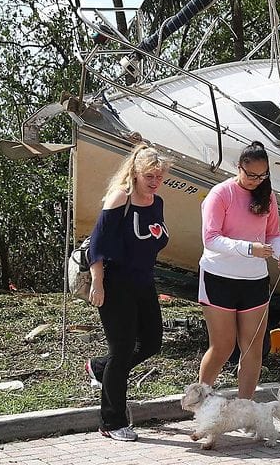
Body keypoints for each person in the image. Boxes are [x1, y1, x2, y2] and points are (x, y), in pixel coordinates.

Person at [85, 143, 171, 442]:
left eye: (159, 176)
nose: (154, 181)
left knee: (151, 342)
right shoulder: (119, 198)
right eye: (149, 175)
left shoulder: (156, 202)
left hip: (144, 282)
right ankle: (112, 421)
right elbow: (97, 245)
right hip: (115, 283)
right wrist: (98, 283)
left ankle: (99, 367)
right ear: (135, 172)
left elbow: (154, 239)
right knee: (121, 352)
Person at [197, 141, 280, 400]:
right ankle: (200, 403)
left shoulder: (267, 196)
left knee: (253, 348)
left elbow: (273, 234)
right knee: (223, 346)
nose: (255, 181)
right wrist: (248, 248)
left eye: (262, 176)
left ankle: (244, 407)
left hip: (254, 280)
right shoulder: (221, 193)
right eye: (250, 175)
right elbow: (211, 239)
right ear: (239, 168)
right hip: (219, 276)